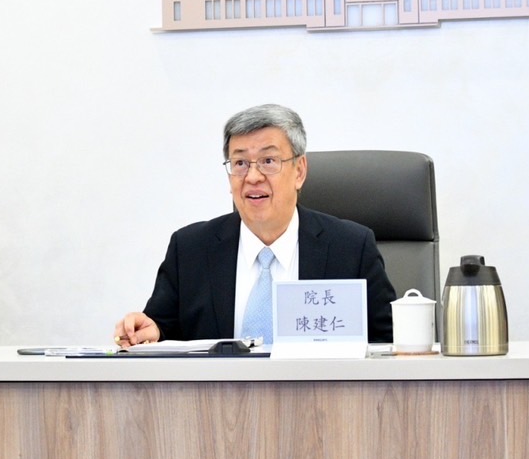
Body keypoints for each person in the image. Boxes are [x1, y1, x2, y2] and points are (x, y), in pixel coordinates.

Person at [115, 103, 397, 345]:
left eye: (268, 161)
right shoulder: (190, 249)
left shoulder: (351, 248)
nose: (252, 177)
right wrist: (150, 332)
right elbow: (162, 331)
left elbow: (388, 346)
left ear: (299, 172)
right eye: (240, 163)